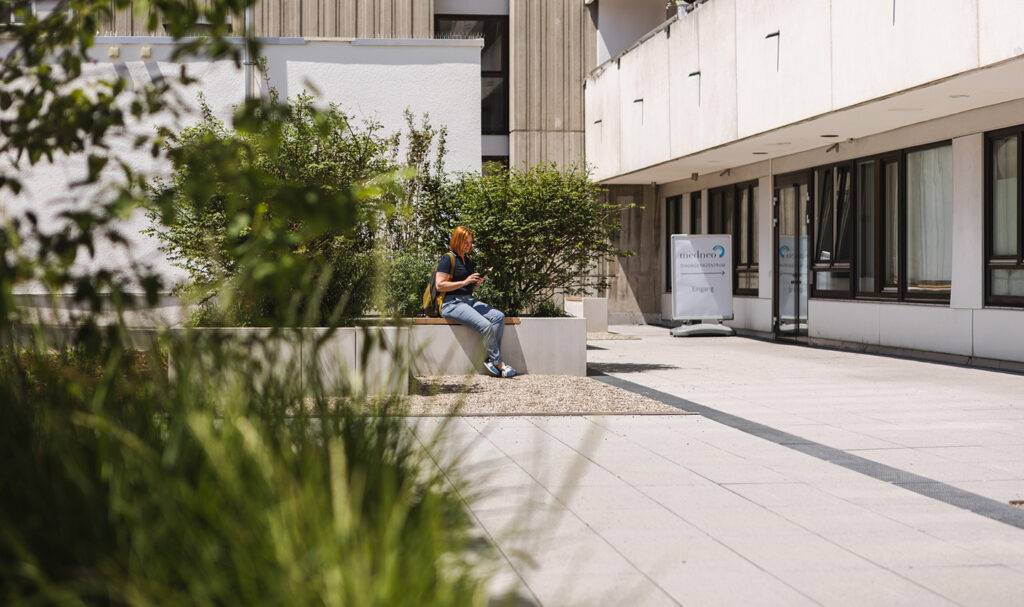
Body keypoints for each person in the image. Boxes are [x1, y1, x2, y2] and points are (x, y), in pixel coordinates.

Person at [435, 226, 519, 378]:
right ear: (457, 241)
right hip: (451, 303)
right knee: (485, 325)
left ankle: (491, 360)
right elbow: (439, 285)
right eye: (466, 242)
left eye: (470, 242)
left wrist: (476, 283)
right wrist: (465, 281)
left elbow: (467, 287)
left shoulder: (468, 261)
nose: (469, 246)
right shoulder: (448, 258)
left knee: (498, 316)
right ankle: (499, 363)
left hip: (468, 300)